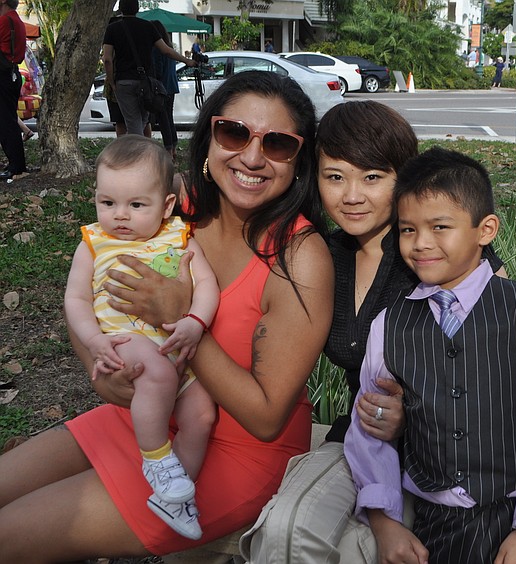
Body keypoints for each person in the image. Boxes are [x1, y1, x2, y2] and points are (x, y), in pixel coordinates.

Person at [0, 70, 333, 560]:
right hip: (148, 416)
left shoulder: (298, 256)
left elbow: (265, 419)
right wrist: (101, 367)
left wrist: (182, 319)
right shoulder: (173, 212)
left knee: (9, 535)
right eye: (234, 133)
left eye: (278, 143)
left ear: (298, 160)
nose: (253, 157)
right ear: (208, 137)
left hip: (237, 452)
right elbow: (95, 295)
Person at [239, 101, 507, 564]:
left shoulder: (439, 255)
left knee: (361, 550)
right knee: (284, 530)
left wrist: (417, 415)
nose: (351, 196)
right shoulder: (324, 255)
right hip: (359, 443)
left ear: (403, 178)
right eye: (335, 176)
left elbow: (497, 385)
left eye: (372, 177)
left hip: (448, 460)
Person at [345, 146, 516, 564]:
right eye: (407, 229)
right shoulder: (390, 324)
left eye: (440, 227)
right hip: (437, 527)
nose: (421, 244)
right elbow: (370, 431)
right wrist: (385, 521)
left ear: (485, 229)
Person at [64, 135, 219, 540]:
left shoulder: (179, 238)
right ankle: (156, 458)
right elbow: (76, 298)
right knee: (158, 374)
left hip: (175, 348)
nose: (119, 216)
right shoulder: (94, 244)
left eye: (136, 205)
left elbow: (206, 286)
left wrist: (195, 322)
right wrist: (93, 341)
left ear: (166, 205)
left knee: (202, 415)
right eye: (107, 202)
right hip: (123, 340)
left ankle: (173, 496)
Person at [102, 0, 196, 137]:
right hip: (146, 82)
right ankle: (140, 152)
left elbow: (107, 59)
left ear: (121, 9)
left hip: (124, 81)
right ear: (137, 9)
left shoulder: (112, 29)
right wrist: (187, 61)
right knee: (143, 120)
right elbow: (166, 50)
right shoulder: (148, 27)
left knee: (133, 122)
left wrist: (111, 82)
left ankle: (136, 155)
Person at [0, 0, 27, 181]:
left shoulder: (4, 20)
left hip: (2, 75)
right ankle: (16, 164)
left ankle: (15, 165)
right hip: (12, 73)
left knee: (6, 123)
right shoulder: (17, 20)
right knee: (8, 119)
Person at [151, 19, 179, 160]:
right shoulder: (170, 48)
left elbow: (158, 69)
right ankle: (173, 146)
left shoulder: (156, 49)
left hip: (162, 88)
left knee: (163, 120)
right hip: (172, 86)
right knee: (169, 118)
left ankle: (168, 149)